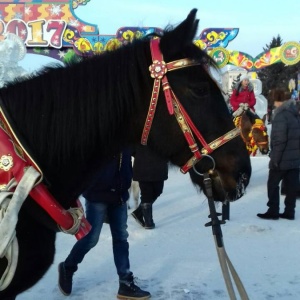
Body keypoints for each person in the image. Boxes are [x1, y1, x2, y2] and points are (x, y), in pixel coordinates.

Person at [58, 149, 151, 299]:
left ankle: (125, 282)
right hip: (97, 196)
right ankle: (67, 267)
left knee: (121, 238)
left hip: (120, 196)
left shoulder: (126, 134)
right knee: (91, 238)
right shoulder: (99, 131)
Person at [257, 88, 300, 220]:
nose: (273, 104)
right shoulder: (295, 113)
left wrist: (274, 159)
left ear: (279, 101)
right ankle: (289, 211)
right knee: (292, 185)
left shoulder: (281, 115)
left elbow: (280, 140)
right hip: (295, 158)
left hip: (282, 159)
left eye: (274, 101)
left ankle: (273, 210)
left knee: (273, 184)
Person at [131, 145, 168, 229]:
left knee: (158, 191)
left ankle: (138, 213)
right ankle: (148, 223)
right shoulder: (137, 133)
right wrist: (141, 154)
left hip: (159, 166)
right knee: (146, 194)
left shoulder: (162, 132)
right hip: (143, 165)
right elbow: (131, 149)